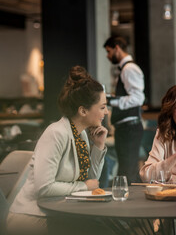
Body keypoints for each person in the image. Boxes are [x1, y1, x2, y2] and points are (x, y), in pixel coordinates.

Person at [7, 66, 109, 235]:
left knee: (106, 228)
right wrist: (83, 186)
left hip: (58, 214)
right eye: (102, 107)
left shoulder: (82, 135)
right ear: (83, 110)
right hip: (29, 215)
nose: (106, 112)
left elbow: (92, 181)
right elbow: (44, 188)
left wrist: (98, 146)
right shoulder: (56, 133)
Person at [103, 36, 145, 184]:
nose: (108, 56)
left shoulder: (129, 69)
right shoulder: (125, 69)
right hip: (127, 127)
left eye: (109, 51)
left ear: (117, 48)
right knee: (127, 169)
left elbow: (138, 98)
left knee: (127, 170)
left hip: (130, 127)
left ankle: (129, 204)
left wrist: (113, 101)